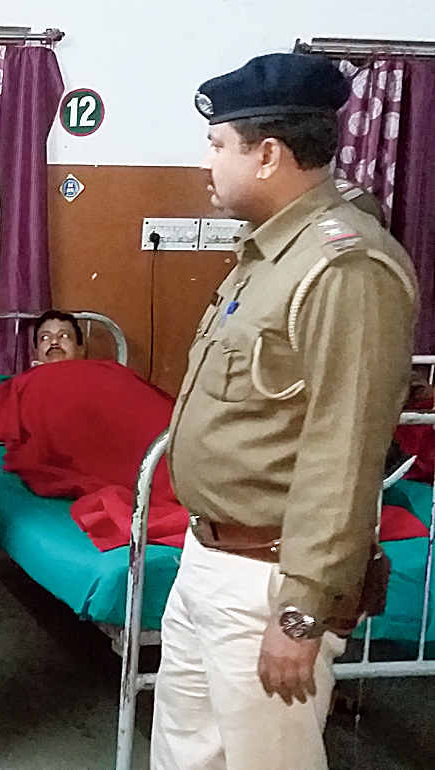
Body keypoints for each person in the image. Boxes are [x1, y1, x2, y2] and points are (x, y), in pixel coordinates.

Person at [152, 53, 417, 770]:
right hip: (208, 556)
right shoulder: (269, 254)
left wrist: (299, 613)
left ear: (267, 154)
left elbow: (344, 450)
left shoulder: (345, 267)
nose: (206, 164)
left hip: (265, 580)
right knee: (185, 755)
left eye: (217, 146)